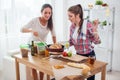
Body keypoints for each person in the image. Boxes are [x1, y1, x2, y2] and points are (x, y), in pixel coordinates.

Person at [21, 4, 56, 80]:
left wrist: (55, 47)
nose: (47, 15)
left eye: (49, 13)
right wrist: (32, 31)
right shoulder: (35, 21)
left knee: (42, 66)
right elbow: (22, 29)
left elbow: (54, 35)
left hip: (42, 46)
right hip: (32, 46)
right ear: (41, 12)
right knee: (34, 66)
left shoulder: (50, 23)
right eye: (45, 12)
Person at [67, 4, 101, 80]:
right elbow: (71, 41)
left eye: (70, 16)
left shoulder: (87, 24)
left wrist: (95, 31)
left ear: (77, 15)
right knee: (79, 76)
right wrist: (62, 46)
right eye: (68, 16)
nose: (68, 18)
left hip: (89, 56)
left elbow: (97, 42)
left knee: (90, 77)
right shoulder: (72, 27)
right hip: (78, 56)